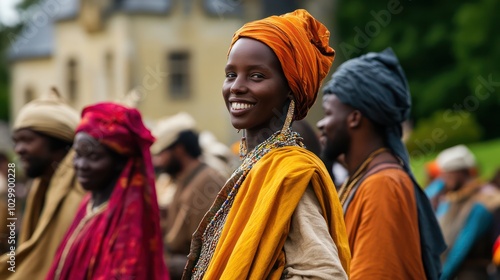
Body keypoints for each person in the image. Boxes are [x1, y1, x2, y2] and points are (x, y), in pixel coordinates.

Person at [183, 9, 350, 279]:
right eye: (230, 75)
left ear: (290, 89)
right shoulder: (256, 164)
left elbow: (325, 274)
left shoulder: (290, 174)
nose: (236, 86)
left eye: (256, 76)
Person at [317, 48, 446, 279]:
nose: (321, 124)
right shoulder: (364, 178)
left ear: (355, 118)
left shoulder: (383, 185)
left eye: (328, 113)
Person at [45, 102, 169, 279]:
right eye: (78, 154)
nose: (80, 165)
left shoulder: (129, 221)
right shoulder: (88, 205)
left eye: (93, 157)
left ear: (120, 162)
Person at [0, 88, 85, 279]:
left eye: (27, 140)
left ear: (59, 142)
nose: (19, 150)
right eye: (16, 142)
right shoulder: (39, 187)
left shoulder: (78, 195)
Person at [151, 112, 226, 280]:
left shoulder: (207, 181)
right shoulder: (183, 179)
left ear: (179, 150)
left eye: (161, 154)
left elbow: (210, 252)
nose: (157, 161)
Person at [434, 145, 500, 280]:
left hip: (475, 272)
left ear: (460, 172)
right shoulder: (451, 199)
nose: (443, 178)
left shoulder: (484, 201)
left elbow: (461, 248)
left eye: (447, 172)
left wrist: (442, 277)